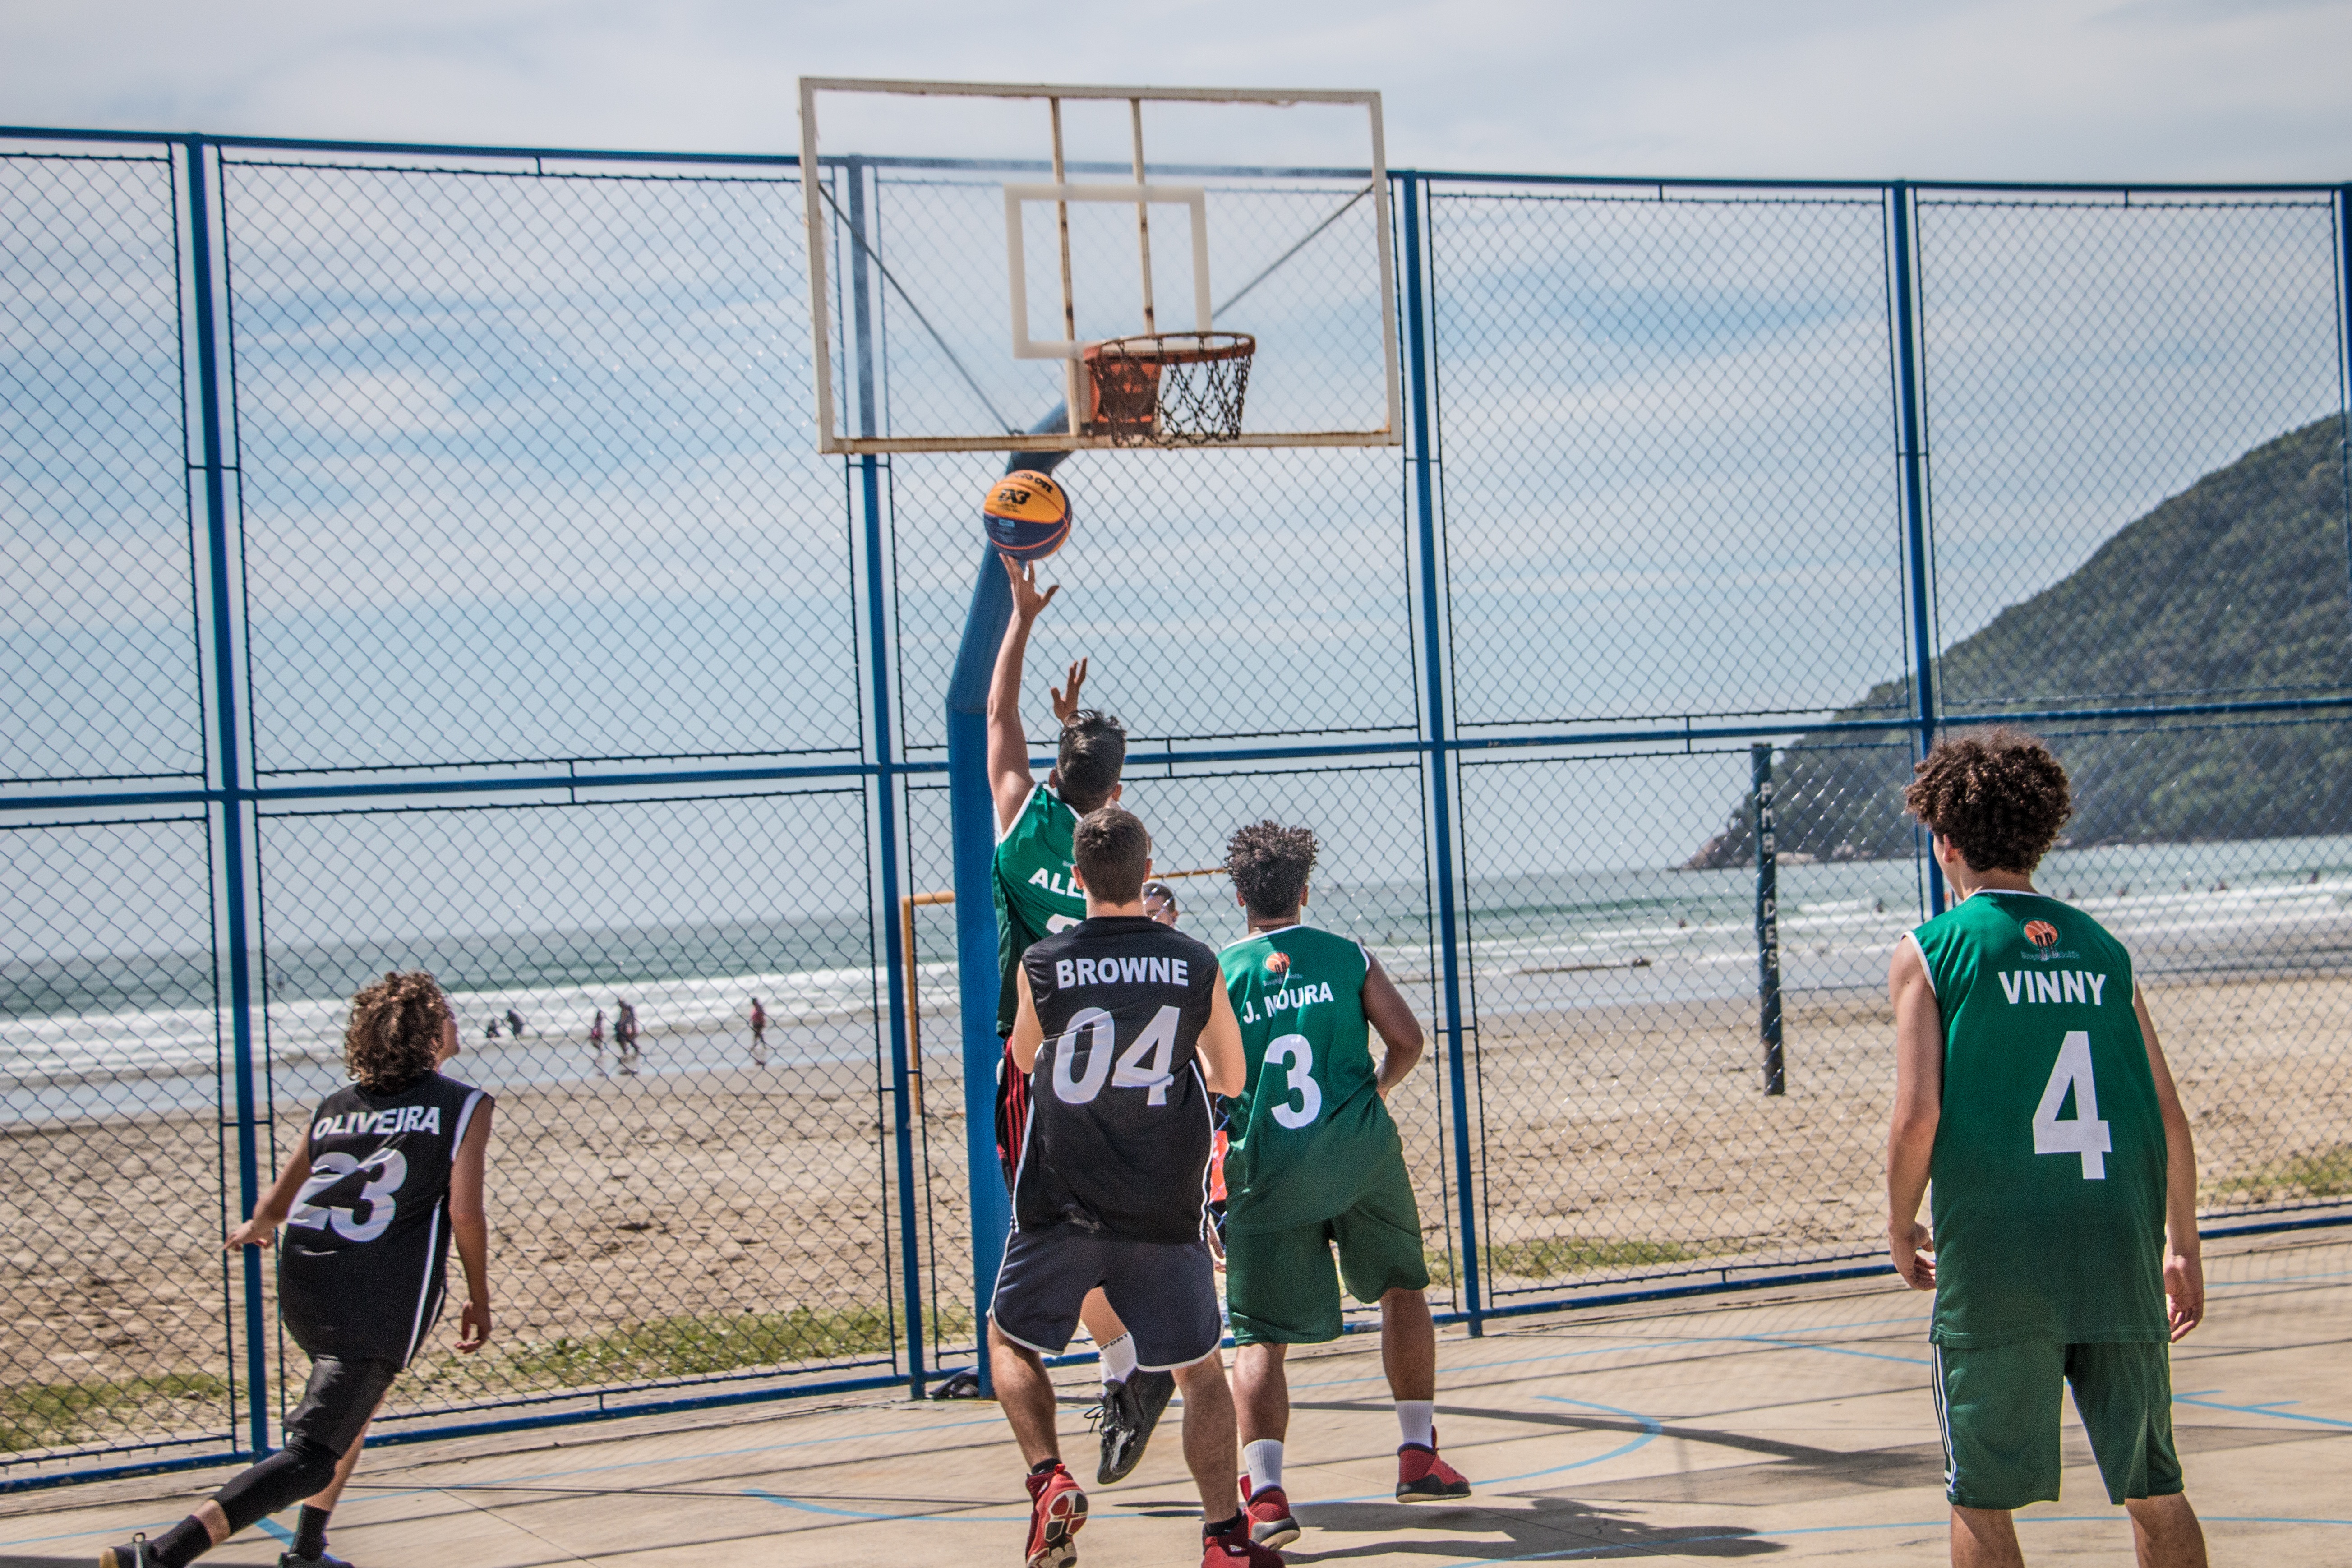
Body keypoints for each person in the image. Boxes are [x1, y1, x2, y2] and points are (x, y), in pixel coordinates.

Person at [1886, 731, 2207, 1568]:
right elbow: (2168, 1115)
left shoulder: (1931, 949)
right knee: (2153, 1485)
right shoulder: (2102, 951)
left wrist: (1896, 1222)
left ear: (1944, 841)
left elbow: (1916, 1114)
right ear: (2040, 837)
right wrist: (2181, 1245)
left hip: (1998, 1256)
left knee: (1982, 1499)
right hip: (2111, 1241)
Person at [103, 971, 494, 1568]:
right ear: (429, 1034)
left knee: (349, 1410)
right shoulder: (463, 1103)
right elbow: (465, 1212)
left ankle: (309, 1548)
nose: (456, 1021)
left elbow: (279, 1205)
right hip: (377, 1296)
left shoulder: (337, 1107)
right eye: (447, 1012)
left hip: (307, 1286)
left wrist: (257, 1228)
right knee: (314, 1451)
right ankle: (162, 1554)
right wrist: (478, 1296)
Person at [993, 807, 1279, 1568]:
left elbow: (1023, 1059)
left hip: (1060, 1197)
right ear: (1147, 872)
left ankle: (1048, 1475)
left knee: (1009, 1340)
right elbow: (1231, 1075)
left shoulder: (1044, 962)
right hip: (1159, 1197)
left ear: (1078, 878)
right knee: (1197, 1371)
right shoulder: (1192, 962)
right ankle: (1223, 1537)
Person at [1213, 822, 1470, 1549]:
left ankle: (1265, 1496)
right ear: (1303, 890)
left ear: (1238, 897)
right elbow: (1409, 1041)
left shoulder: (1220, 974)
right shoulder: (1346, 955)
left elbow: (1211, 1080)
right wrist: (1373, 1093)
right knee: (1401, 1288)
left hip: (1268, 1166)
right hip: (1359, 1153)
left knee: (1260, 1334)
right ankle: (1416, 1452)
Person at [986, 552, 1162, 1483]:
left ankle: (1127, 1364)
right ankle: (1126, 1361)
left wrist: (1020, 617)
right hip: (1124, 1058)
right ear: (1120, 798)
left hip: (1041, 1063)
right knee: (1113, 1222)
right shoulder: (1119, 851)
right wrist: (1074, 743)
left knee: (1051, 1232)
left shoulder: (1019, 824)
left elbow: (994, 719)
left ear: (1055, 773)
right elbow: (1086, 798)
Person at [589, 1008, 607, 1078]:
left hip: (599, 1033)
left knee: (597, 1043)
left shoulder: (599, 1020)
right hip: (599, 1033)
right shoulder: (599, 1020)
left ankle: (601, 1052)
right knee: (596, 1043)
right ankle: (601, 1052)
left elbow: (598, 1027)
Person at [750, 996, 768, 1067]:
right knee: (758, 1035)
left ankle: (756, 1046)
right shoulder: (755, 1007)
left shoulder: (759, 1007)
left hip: (759, 1023)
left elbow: (762, 1015)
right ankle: (762, 1046)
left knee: (758, 1035)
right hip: (755, 1023)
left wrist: (763, 1022)